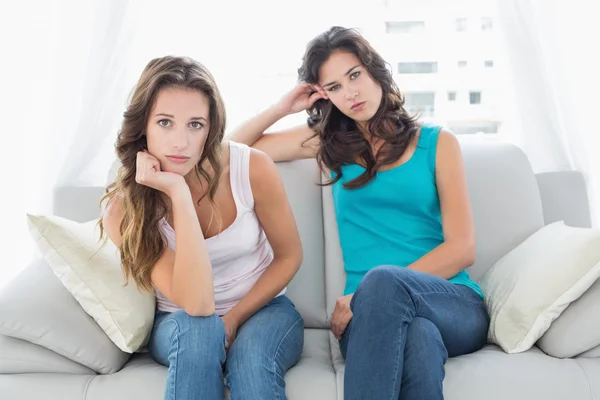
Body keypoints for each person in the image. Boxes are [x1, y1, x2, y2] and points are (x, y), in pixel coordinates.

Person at [230, 26, 490, 400]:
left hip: (450, 300)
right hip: (365, 320)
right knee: (420, 340)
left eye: (354, 75)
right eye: (333, 87)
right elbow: (231, 151)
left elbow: (462, 249)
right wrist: (280, 109)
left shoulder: (437, 143)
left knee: (383, 281)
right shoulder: (328, 145)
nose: (349, 92)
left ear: (375, 71)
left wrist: (368, 293)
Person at [99, 56, 304, 400]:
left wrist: (236, 317)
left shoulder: (250, 168)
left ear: (211, 129)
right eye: (165, 122)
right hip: (181, 320)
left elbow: (289, 256)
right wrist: (178, 192)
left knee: (252, 363)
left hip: (264, 310)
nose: (180, 142)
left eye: (195, 125)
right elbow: (196, 305)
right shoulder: (123, 211)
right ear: (143, 126)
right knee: (199, 334)